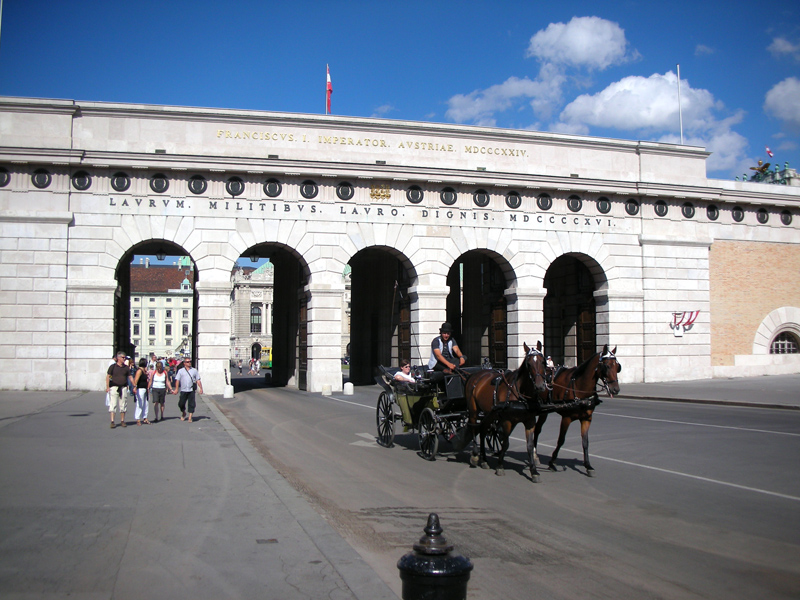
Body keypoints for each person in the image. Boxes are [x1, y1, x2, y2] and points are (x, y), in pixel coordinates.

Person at [106, 351, 132, 428]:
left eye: (125, 358)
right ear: (118, 358)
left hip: (123, 387)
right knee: (113, 404)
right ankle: (112, 421)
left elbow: (130, 377)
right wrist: (107, 387)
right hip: (114, 387)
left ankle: (122, 421)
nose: (124, 359)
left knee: (123, 405)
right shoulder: (113, 367)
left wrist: (134, 384)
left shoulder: (126, 368)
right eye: (123, 357)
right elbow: (108, 376)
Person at [174, 357, 203, 422]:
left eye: (190, 361)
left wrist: (200, 388)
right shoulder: (181, 371)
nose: (189, 363)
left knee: (191, 403)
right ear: (184, 363)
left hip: (191, 390)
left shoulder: (194, 370)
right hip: (183, 390)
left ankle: (190, 417)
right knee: (181, 403)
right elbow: (177, 380)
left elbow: (198, 380)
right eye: (187, 362)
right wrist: (176, 389)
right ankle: (183, 412)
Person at [132, 358, 151, 425]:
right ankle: (138, 418)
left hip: (145, 389)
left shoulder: (144, 371)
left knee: (146, 404)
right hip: (140, 389)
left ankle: (145, 417)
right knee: (140, 404)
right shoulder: (139, 371)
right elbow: (136, 380)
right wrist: (135, 387)